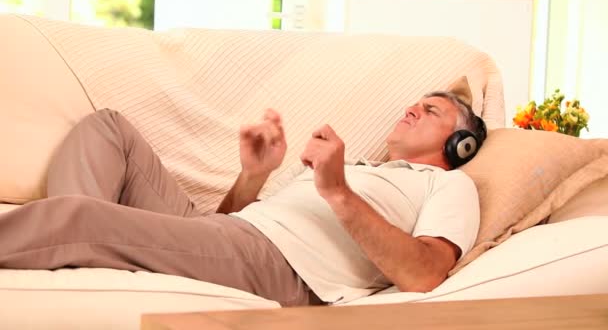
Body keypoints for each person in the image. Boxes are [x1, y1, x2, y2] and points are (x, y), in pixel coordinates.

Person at [0, 91, 486, 307]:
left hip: (285, 268)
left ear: (459, 145)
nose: (411, 109)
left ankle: (75, 240)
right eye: (413, 103)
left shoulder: (448, 186)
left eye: (431, 110)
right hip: (233, 236)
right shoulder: (362, 167)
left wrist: (337, 192)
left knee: (82, 218)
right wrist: (253, 178)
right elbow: (223, 232)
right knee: (107, 129)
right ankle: (81, 261)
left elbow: (423, 274)